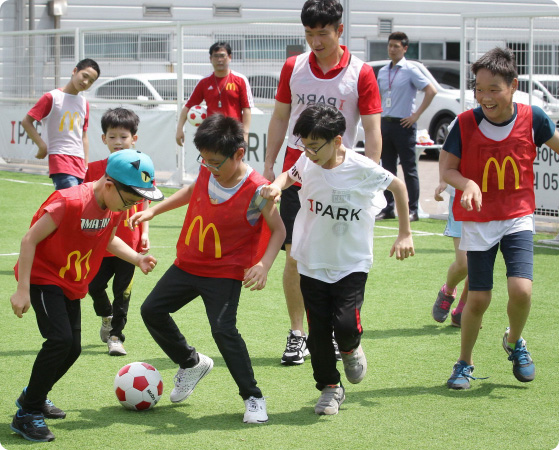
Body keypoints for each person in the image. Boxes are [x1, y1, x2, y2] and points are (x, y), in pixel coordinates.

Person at [129, 114, 285, 424]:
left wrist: (264, 265)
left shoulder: (258, 189)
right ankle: (191, 363)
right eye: (204, 160)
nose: (208, 166)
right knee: (151, 311)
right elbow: (191, 192)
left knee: (223, 330)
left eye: (215, 162)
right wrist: (155, 211)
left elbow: (278, 230)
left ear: (238, 153)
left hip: (225, 271)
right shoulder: (207, 168)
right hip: (188, 264)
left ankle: (253, 397)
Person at [261, 103, 414, 415]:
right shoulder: (307, 160)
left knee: (344, 324)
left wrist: (404, 233)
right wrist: (275, 187)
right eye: (304, 146)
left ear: (338, 141)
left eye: (315, 146)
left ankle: (350, 347)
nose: (309, 152)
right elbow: (289, 176)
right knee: (317, 336)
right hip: (311, 260)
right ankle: (330, 387)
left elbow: (398, 187)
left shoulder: (362, 168)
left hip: (351, 263)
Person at [10, 149, 163, 442]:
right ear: (108, 185)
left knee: (73, 348)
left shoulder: (112, 208)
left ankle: (34, 396)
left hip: (70, 282)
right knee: (60, 340)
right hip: (44, 278)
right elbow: (30, 239)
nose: (129, 207)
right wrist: (23, 289)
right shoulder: (68, 202)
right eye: (129, 200)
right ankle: (27, 414)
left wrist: (137, 258)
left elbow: (109, 239)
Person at [263, 0, 382, 366]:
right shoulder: (293, 67)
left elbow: (374, 130)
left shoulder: (361, 73)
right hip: (299, 175)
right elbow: (281, 116)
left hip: (343, 179)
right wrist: (270, 163)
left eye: (323, 33)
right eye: (309, 34)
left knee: (339, 258)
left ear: (339, 31)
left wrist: (369, 178)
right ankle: (299, 333)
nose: (315, 41)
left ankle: (338, 331)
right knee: (296, 254)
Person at [442, 47, 559, 390]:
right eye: (479, 89)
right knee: (478, 299)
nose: (485, 97)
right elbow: (447, 169)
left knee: (521, 291)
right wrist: (467, 184)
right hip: (479, 222)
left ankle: (515, 341)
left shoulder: (533, 117)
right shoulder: (464, 123)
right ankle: (464, 362)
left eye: (494, 89)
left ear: (513, 86)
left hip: (517, 217)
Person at [84, 108, 150, 356]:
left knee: (123, 293)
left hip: (129, 244)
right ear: (103, 139)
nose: (118, 142)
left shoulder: (142, 166)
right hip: (100, 242)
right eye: (112, 137)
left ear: (134, 138)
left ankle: (116, 337)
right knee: (93, 286)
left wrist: (145, 232)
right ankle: (106, 315)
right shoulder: (93, 169)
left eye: (123, 136)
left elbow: (145, 200)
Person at [375, 32, 437, 222]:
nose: (392, 49)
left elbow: (431, 90)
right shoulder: (384, 71)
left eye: (396, 46)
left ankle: (413, 209)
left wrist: (415, 115)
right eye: (390, 45)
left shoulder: (410, 69)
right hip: (385, 123)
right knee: (387, 168)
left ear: (405, 48)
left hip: (404, 124)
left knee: (409, 168)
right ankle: (388, 208)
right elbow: (378, 97)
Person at [21, 58, 101, 190]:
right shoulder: (51, 97)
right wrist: (42, 146)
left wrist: (86, 163)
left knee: (76, 205)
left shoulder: (84, 103)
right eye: (84, 76)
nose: (86, 82)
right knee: (72, 201)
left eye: (91, 81)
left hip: (79, 162)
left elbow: (84, 136)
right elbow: (27, 122)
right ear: (74, 71)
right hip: (60, 159)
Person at [176, 41, 253, 144]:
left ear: (230, 57)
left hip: (233, 134)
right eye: (215, 56)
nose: (219, 60)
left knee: (233, 160)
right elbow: (188, 106)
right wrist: (179, 128)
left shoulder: (240, 80)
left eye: (222, 56)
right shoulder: (204, 82)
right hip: (211, 134)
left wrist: (245, 134)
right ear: (210, 59)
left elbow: (246, 109)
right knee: (210, 160)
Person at [432, 150, 469, 327]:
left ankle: (463, 309)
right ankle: (448, 290)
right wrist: (442, 181)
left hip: (493, 200)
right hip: (460, 198)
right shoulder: (459, 124)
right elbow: (445, 153)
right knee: (464, 263)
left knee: (481, 263)